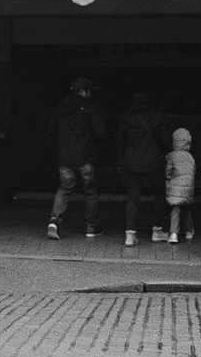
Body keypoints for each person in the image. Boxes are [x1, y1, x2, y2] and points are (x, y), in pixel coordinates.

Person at [46, 76, 106, 240]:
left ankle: (54, 221)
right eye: (89, 91)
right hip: (86, 158)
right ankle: (91, 227)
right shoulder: (90, 108)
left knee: (64, 190)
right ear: (84, 91)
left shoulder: (59, 108)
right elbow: (100, 131)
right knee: (90, 192)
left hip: (65, 158)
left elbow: (50, 131)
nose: (91, 94)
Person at [115, 92, 169, 246]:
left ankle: (130, 235)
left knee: (132, 198)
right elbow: (165, 140)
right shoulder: (158, 117)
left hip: (131, 162)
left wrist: (120, 161)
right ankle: (157, 231)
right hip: (153, 162)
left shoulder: (126, 118)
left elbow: (120, 141)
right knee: (159, 195)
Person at [164, 127, 196, 245]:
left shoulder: (171, 156)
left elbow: (168, 172)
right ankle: (189, 231)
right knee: (187, 210)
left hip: (175, 188)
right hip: (188, 188)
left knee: (175, 210)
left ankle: (173, 234)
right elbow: (193, 171)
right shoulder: (190, 157)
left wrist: (168, 180)